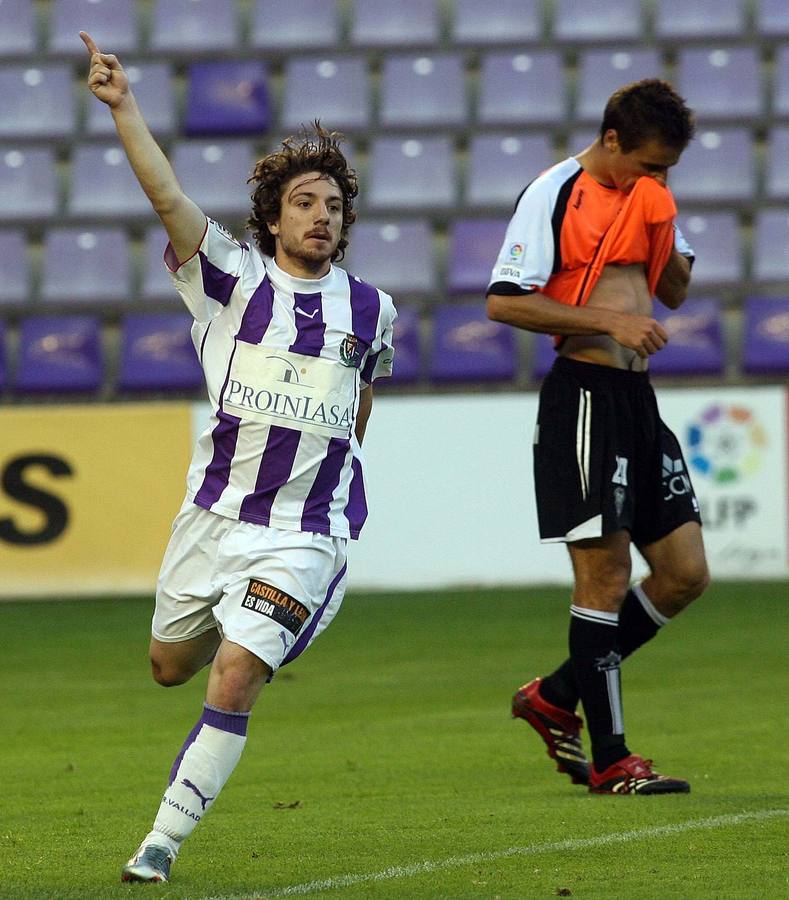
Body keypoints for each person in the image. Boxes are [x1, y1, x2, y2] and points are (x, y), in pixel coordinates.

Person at [80, 31, 396, 882]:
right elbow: (166, 196)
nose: (320, 215)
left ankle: (159, 845)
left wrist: (328, 487)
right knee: (168, 666)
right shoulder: (229, 279)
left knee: (231, 672)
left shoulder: (372, 309)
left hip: (304, 534)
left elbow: (361, 397)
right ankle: (251, 615)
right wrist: (124, 107)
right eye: (303, 201)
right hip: (213, 518)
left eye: (331, 203)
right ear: (272, 217)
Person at [486, 79, 709, 795]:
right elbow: (502, 301)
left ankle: (554, 694)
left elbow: (672, 292)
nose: (658, 178)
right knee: (604, 579)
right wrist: (610, 322)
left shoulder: (650, 197)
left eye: (668, 169)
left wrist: (662, 230)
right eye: (649, 166)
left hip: (636, 398)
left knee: (682, 574)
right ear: (611, 141)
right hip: (582, 397)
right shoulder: (554, 190)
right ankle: (612, 761)